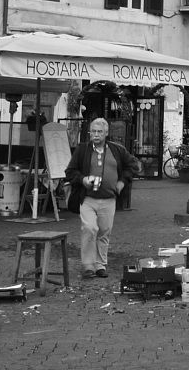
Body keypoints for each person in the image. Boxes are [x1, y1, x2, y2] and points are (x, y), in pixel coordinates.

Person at [65, 118, 140, 279]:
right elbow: (70, 171)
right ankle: (88, 265)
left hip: (109, 199)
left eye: (99, 132)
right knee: (90, 228)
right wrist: (83, 180)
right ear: (90, 133)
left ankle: (100, 265)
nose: (96, 135)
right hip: (88, 198)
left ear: (106, 133)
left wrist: (122, 182)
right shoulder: (83, 150)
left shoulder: (117, 150)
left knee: (104, 232)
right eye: (93, 131)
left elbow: (133, 166)